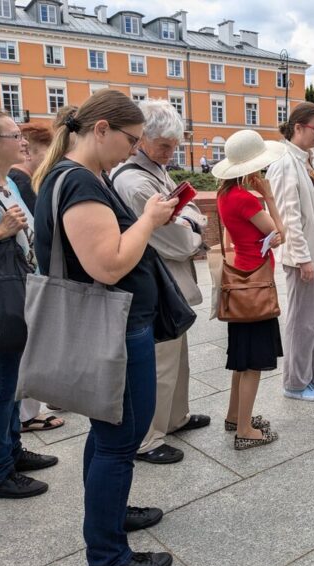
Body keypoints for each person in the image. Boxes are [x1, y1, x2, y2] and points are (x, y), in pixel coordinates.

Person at [32, 90, 177, 566]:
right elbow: (108, 265)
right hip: (113, 328)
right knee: (120, 441)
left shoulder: (76, 176)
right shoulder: (79, 182)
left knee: (111, 433)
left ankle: (109, 518)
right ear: (101, 130)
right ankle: (108, 557)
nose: (133, 148)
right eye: (131, 139)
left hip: (117, 325)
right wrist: (150, 220)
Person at [112, 100, 211, 465]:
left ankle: (174, 417)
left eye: (174, 145)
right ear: (141, 140)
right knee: (160, 361)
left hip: (166, 278)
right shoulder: (137, 182)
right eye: (163, 145)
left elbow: (191, 215)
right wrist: (192, 229)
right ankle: (147, 437)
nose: (170, 153)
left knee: (176, 356)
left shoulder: (151, 169)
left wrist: (189, 223)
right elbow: (180, 239)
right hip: (155, 280)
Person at [0, 110, 59, 500]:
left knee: (10, 380)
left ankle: (9, 451)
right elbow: (5, 234)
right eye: (13, 134)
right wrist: (1, 230)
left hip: (17, 292)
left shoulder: (6, 182)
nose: (22, 140)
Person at [213, 130, 286, 449]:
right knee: (254, 361)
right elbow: (279, 234)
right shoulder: (244, 198)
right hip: (255, 282)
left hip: (240, 279)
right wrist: (268, 195)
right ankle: (244, 429)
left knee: (241, 358)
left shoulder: (224, 194)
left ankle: (234, 416)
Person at [267, 102, 314, 402]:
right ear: (297, 127)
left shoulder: (308, 161)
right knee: (302, 320)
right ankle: (295, 382)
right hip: (303, 258)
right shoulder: (286, 163)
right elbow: (288, 218)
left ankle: (310, 371)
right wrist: (302, 259)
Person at [7, 122, 66, 433]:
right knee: (21, 355)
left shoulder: (15, 179)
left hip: (27, 276)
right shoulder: (17, 179)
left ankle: (26, 417)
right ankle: (27, 416)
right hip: (23, 279)